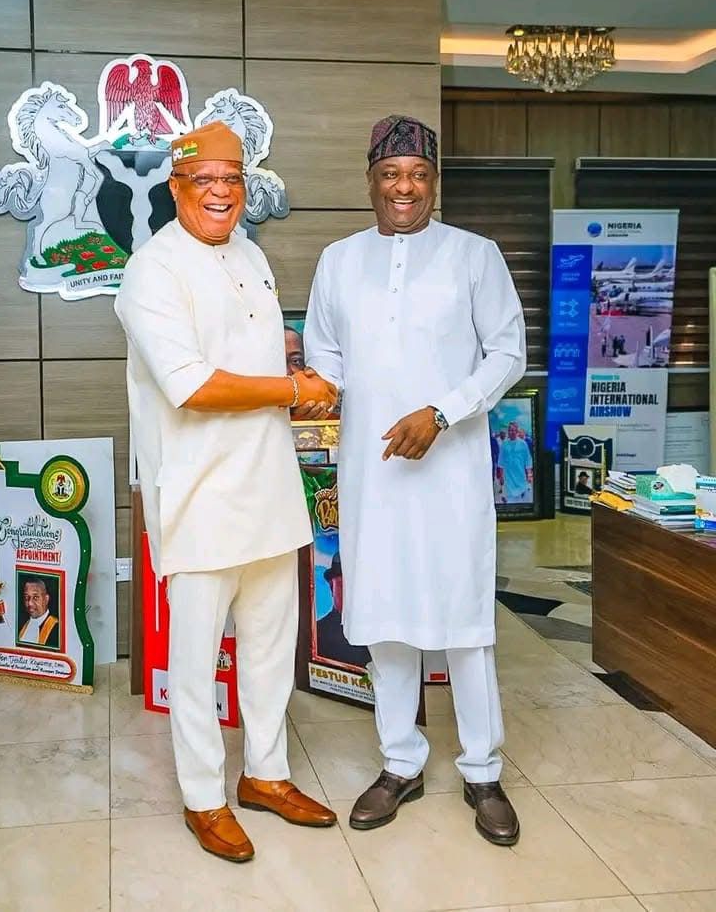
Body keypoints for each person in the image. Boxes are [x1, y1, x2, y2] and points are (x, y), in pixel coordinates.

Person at [115, 121, 339, 864]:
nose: (219, 193)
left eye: (231, 180)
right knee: (195, 659)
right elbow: (191, 386)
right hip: (199, 495)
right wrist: (294, 388)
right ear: (175, 186)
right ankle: (203, 797)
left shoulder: (251, 254)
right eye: (203, 180)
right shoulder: (152, 270)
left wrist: (296, 374)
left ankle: (265, 775)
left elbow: (253, 354)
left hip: (269, 486)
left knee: (271, 648)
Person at [304, 115, 526, 846]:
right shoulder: (338, 260)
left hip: (451, 472)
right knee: (387, 619)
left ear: (434, 182)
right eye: (392, 174)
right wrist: (315, 384)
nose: (405, 187)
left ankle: (483, 770)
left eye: (419, 174)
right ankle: (400, 761)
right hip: (373, 473)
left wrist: (441, 412)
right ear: (371, 180)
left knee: (464, 622)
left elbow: (507, 353)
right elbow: (326, 354)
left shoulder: (475, 255)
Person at [316, 552, 370, 669]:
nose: (351, 593)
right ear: (332, 586)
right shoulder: (318, 632)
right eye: (343, 585)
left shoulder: (377, 629)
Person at [497, 422, 533, 503]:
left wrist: (529, 475)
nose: (511, 432)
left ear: (516, 431)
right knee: (510, 502)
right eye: (510, 430)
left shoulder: (523, 444)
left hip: (521, 477)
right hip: (509, 479)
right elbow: (501, 462)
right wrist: (501, 476)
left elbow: (528, 460)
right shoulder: (504, 444)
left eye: (513, 430)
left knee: (523, 501)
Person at [18, 579, 59, 649]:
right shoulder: (20, 623)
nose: (30, 603)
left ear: (46, 599)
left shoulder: (57, 628)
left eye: (35, 597)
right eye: (26, 597)